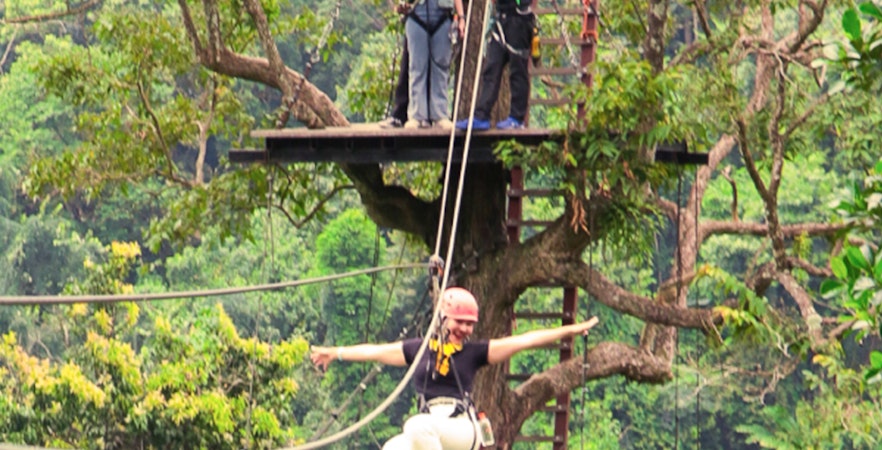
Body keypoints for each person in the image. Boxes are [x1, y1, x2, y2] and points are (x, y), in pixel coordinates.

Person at [310, 286, 599, 450]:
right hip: (431, 432)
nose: (463, 329)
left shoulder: (475, 353)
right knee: (392, 448)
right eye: (458, 322)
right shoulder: (420, 349)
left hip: (462, 428)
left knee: (415, 425)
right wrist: (335, 353)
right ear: (443, 318)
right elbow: (376, 351)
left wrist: (572, 330)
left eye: (469, 324)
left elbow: (524, 340)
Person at [455, 0, 535, 131]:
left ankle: (517, 117)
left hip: (519, 19)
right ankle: (482, 115)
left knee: (518, 70)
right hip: (501, 18)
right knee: (492, 68)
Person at [402, 0, 465, 129]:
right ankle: (417, 115)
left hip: (443, 15)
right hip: (416, 13)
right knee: (417, 67)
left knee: (441, 66)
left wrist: (461, 16)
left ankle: (440, 114)